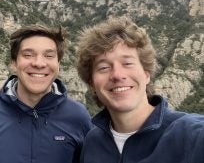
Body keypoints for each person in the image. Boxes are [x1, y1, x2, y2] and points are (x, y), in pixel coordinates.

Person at [0, 24, 92, 163]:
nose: (39, 63)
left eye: (49, 56)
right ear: (14, 63)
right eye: (28, 55)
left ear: (58, 64)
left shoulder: (78, 117)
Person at [76, 17, 204, 163]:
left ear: (146, 74)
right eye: (104, 67)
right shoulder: (92, 143)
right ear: (92, 83)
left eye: (128, 63)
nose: (117, 75)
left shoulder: (191, 135)